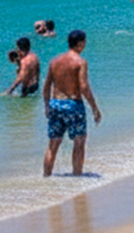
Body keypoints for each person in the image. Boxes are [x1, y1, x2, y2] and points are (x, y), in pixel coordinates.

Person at [42, 30, 102, 177]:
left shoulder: (54, 61)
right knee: (79, 142)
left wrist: (46, 106)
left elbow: (46, 86)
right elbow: (84, 87)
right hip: (73, 105)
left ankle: (46, 178)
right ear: (80, 43)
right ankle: (77, 178)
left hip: (55, 104)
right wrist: (94, 107)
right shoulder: (80, 62)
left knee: (53, 143)